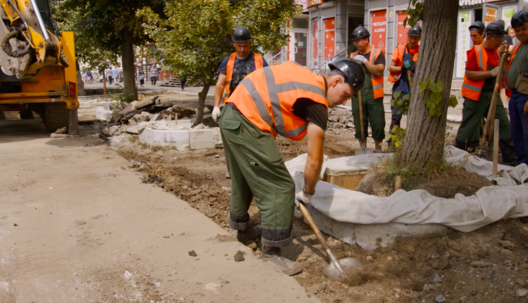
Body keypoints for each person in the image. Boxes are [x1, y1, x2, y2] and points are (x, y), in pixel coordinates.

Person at [219, 58, 365, 275]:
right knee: (280, 186)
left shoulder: (306, 79)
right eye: (345, 95)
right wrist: (307, 192)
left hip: (231, 115)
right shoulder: (316, 100)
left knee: (244, 175)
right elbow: (314, 160)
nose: (343, 102)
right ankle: (271, 252)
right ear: (335, 81)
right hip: (247, 120)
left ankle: (244, 230)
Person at [456, 21, 516, 164]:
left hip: (492, 95)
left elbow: (504, 71)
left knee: (503, 123)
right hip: (476, 96)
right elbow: (469, 74)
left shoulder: (497, 53)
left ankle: (510, 159)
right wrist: (489, 73)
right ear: (490, 37)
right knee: (470, 125)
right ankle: (458, 157)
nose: (500, 43)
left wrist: (504, 58)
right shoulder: (475, 52)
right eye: (499, 40)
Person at [212, 27, 269, 121]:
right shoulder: (228, 61)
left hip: (255, 107)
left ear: (250, 43)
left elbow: (269, 83)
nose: (242, 49)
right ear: (234, 44)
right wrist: (216, 106)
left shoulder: (259, 60)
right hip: (233, 107)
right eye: (239, 46)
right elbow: (220, 84)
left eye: (245, 46)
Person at [349, 27, 386, 153]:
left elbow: (379, 70)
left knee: (378, 121)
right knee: (359, 122)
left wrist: (365, 62)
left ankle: (378, 148)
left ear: (366, 39)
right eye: (354, 42)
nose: (355, 44)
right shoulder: (352, 56)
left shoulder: (377, 53)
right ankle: (363, 148)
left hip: (374, 95)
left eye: (358, 41)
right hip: (357, 94)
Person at [387, 25, 421, 146]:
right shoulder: (400, 49)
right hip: (400, 89)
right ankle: (392, 145)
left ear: (419, 38)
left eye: (415, 38)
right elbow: (390, 67)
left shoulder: (421, 51)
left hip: (414, 90)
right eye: (411, 38)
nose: (412, 41)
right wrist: (401, 67)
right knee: (396, 118)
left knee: (414, 120)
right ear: (408, 37)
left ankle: (411, 144)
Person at [505, 11, 528, 165]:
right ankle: (522, 165)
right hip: (514, 96)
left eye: (523, 29)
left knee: (527, 134)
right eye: (517, 30)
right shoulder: (519, 46)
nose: (520, 33)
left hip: (525, 97)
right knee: (516, 133)